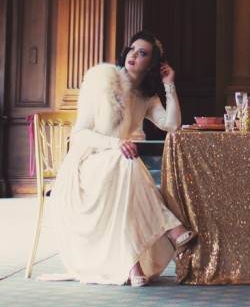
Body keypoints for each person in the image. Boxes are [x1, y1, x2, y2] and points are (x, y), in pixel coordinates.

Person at [49, 30, 194, 286]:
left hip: (118, 167)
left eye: (143, 53)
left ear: (152, 63)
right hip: (85, 165)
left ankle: (131, 265)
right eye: (132, 49)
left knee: (125, 168)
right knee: (126, 162)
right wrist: (115, 144)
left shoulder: (146, 97)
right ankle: (171, 228)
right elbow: (80, 134)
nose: (134, 56)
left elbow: (171, 124)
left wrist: (169, 84)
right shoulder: (102, 80)